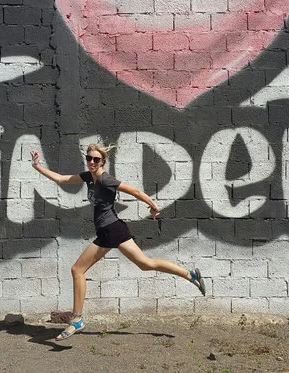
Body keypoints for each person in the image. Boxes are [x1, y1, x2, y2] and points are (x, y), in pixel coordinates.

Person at [30, 143, 206, 341]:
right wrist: (37, 166)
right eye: (89, 158)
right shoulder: (88, 177)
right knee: (145, 264)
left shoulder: (106, 180)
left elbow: (136, 192)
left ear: (103, 161)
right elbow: (61, 179)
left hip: (111, 230)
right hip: (111, 230)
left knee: (77, 270)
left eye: (96, 159)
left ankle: (77, 319)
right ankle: (190, 274)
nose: (92, 162)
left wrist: (153, 207)